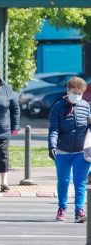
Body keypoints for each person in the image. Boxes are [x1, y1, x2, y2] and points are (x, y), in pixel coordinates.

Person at [48, 76, 90, 223]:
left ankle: (79, 210)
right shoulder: (57, 107)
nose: (77, 96)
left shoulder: (86, 106)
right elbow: (53, 129)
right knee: (64, 180)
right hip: (63, 150)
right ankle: (62, 208)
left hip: (81, 152)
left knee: (80, 181)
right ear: (68, 90)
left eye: (80, 93)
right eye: (74, 92)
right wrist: (52, 145)